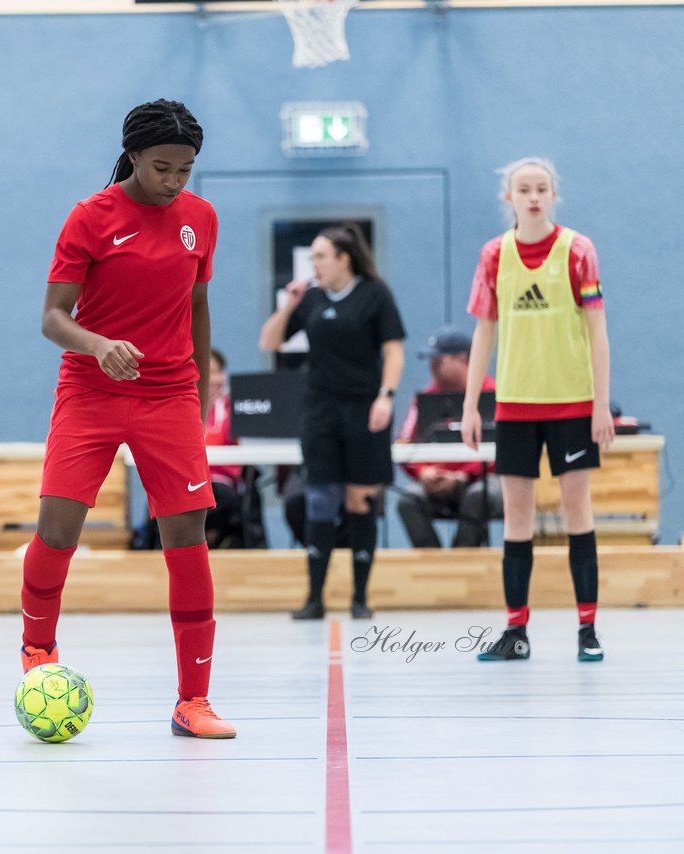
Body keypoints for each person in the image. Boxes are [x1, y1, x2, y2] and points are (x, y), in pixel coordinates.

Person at [21, 99, 235, 738]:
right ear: (135, 156)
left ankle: (192, 702)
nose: (174, 181)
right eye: (163, 167)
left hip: (169, 393)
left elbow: (198, 304)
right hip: (91, 388)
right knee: (58, 531)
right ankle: (38, 654)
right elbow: (52, 317)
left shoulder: (201, 218)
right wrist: (97, 344)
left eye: (186, 170)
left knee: (187, 541)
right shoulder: (91, 217)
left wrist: (196, 393)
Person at [461, 157, 612, 663]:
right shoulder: (493, 255)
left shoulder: (578, 251)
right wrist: (471, 405)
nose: (532, 196)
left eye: (541, 188)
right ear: (509, 197)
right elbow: (484, 330)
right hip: (515, 404)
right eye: (523, 189)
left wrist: (600, 405)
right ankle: (515, 632)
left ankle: (587, 630)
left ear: (553, 195)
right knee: (517, 519)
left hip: (571, 403)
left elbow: (597, 331)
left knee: (577, 514)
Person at [259, 225, 405, 621]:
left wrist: (386, 396)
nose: (316, 264)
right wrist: (289, 305)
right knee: (320, 499)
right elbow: (269, 342)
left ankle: (360, 598)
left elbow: (393, 350)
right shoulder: (311, 299)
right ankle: (314, 599)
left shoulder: (376, 294)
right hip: (320, 410)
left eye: (322, 256)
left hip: (364, 410)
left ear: (344, 258)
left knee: (361, 500)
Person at [394, 327, 502, 548]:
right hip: (436, 483)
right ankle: (433, 564)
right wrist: (424, 472)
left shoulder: (495, 394)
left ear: (462, 359)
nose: (432, 368)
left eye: (438, 361)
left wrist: (464, 476)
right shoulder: (424, 401)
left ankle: (462, 561)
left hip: (483, 480)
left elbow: (509, 449)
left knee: (477, 496)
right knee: (408, 500)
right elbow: (404, 443)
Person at [203, 348, 244, 547]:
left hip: (222, 479)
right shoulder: (185, 406)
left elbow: (218, 438)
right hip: (191, 477)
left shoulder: (232, 407)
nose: (217, 379)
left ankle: (212, 543)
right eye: (211, 373)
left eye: (220, 372)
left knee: (221, 497)